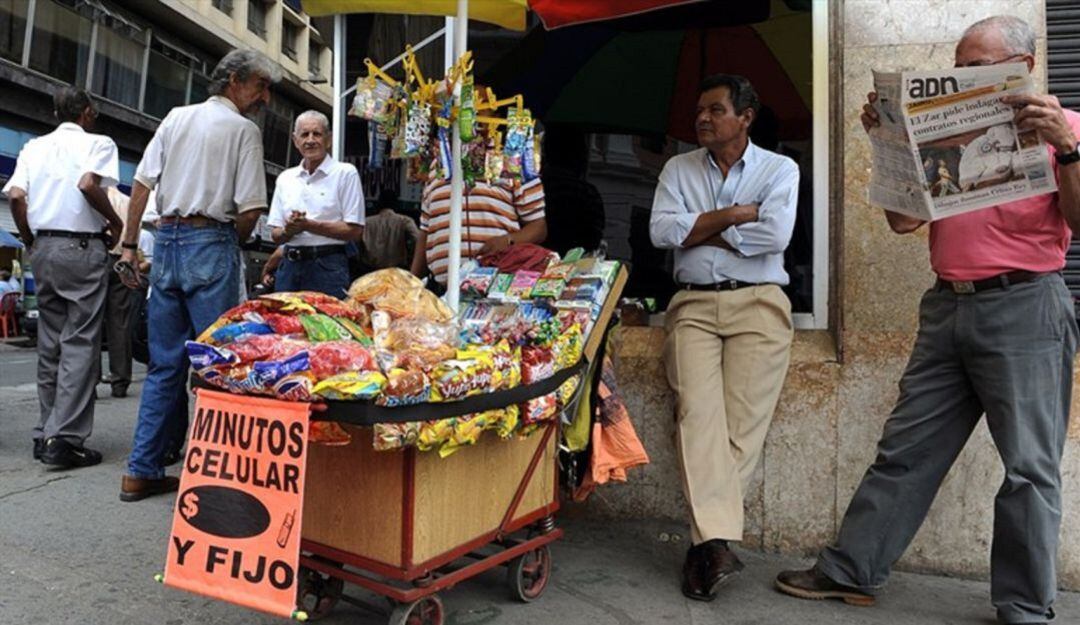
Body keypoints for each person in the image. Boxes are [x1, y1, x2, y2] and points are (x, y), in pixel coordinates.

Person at [776, 16, 1080, 625]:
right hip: (947, 305)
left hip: (1024, 306)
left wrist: (1068, 150)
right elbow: (903, 223)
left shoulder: (1065, 128)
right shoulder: (942, 125)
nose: (962, 77)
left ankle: (1023, 605)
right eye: (958, 65)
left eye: (977, 68)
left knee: (1028, 467)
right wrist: (887, 142)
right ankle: (850, 570)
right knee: (907, 448)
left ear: (1021, 66)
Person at [649, 73, 798, 602]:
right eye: (699, 112)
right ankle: (715, 543)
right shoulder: (677, 168)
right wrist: (736, 216)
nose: (702, 120)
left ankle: (703, 547)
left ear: (745, 117)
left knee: (741, 429)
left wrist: (703, 227)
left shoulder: (781, 169)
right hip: (692, 304)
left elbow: (776, 236)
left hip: (759, 303)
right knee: (696, 415)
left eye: (714, 110)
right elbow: (662, 233)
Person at [116, 49, 279, 502]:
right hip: (211, 241)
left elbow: (142, 183)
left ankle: (140, 470)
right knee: (220, 365)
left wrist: (130, 246)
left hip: (165, 242)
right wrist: (233, 239)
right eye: (260, 85)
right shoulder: (243, 131)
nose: (265, 96)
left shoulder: (175, 117)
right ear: (233, 81)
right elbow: (249, 212)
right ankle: (217, 475)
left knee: (166, 365)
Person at [2, 87, 122, 468]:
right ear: (87, 112)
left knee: (50, 343)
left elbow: (17, 197)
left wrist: (28, 238)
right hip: (82, 247)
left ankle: (45, 431)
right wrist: (116, 222)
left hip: (44, 248)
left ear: (56, 112)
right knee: (81, 343)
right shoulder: (100, 142)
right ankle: (65, 439)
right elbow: (88, 184)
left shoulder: (34, 147)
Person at [267, 110, 364, 297]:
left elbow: (355, 231)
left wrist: (308, 225)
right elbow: (275, 235)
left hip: (328, 266)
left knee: (326, 324)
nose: (310, 140)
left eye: (317, 134)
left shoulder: (345, 173)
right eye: (304, 134)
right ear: (295, 141)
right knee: (286, 324)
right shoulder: (285, 178)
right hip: (289, 267)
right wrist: (290, 230)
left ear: (328, 139)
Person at [411, 165, 548, 287]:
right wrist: (410, 283)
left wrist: (508, 240)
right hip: (443, 291)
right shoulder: (437, 167)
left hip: (495, 287)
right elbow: (425, 232)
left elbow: (539, 227)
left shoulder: (512, 162)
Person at [540, 126, 605, 255]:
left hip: (533, 265)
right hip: (576, 264)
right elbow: (594, 239)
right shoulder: (587, 193)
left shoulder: (535, 189)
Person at [100, 186, 137, 398]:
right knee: (120, 323)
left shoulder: (98, 198)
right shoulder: (128, 201)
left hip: (98, 259)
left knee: (91, 322)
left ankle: (90, 379)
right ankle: (120, 382)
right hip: (123, 259)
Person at [363, 189, 419, 270]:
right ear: (396, 203)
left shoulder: (366, 222)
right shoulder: (405, 221)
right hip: (397, 270)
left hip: (370, 270)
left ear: (379, 203)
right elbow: (417, 239)